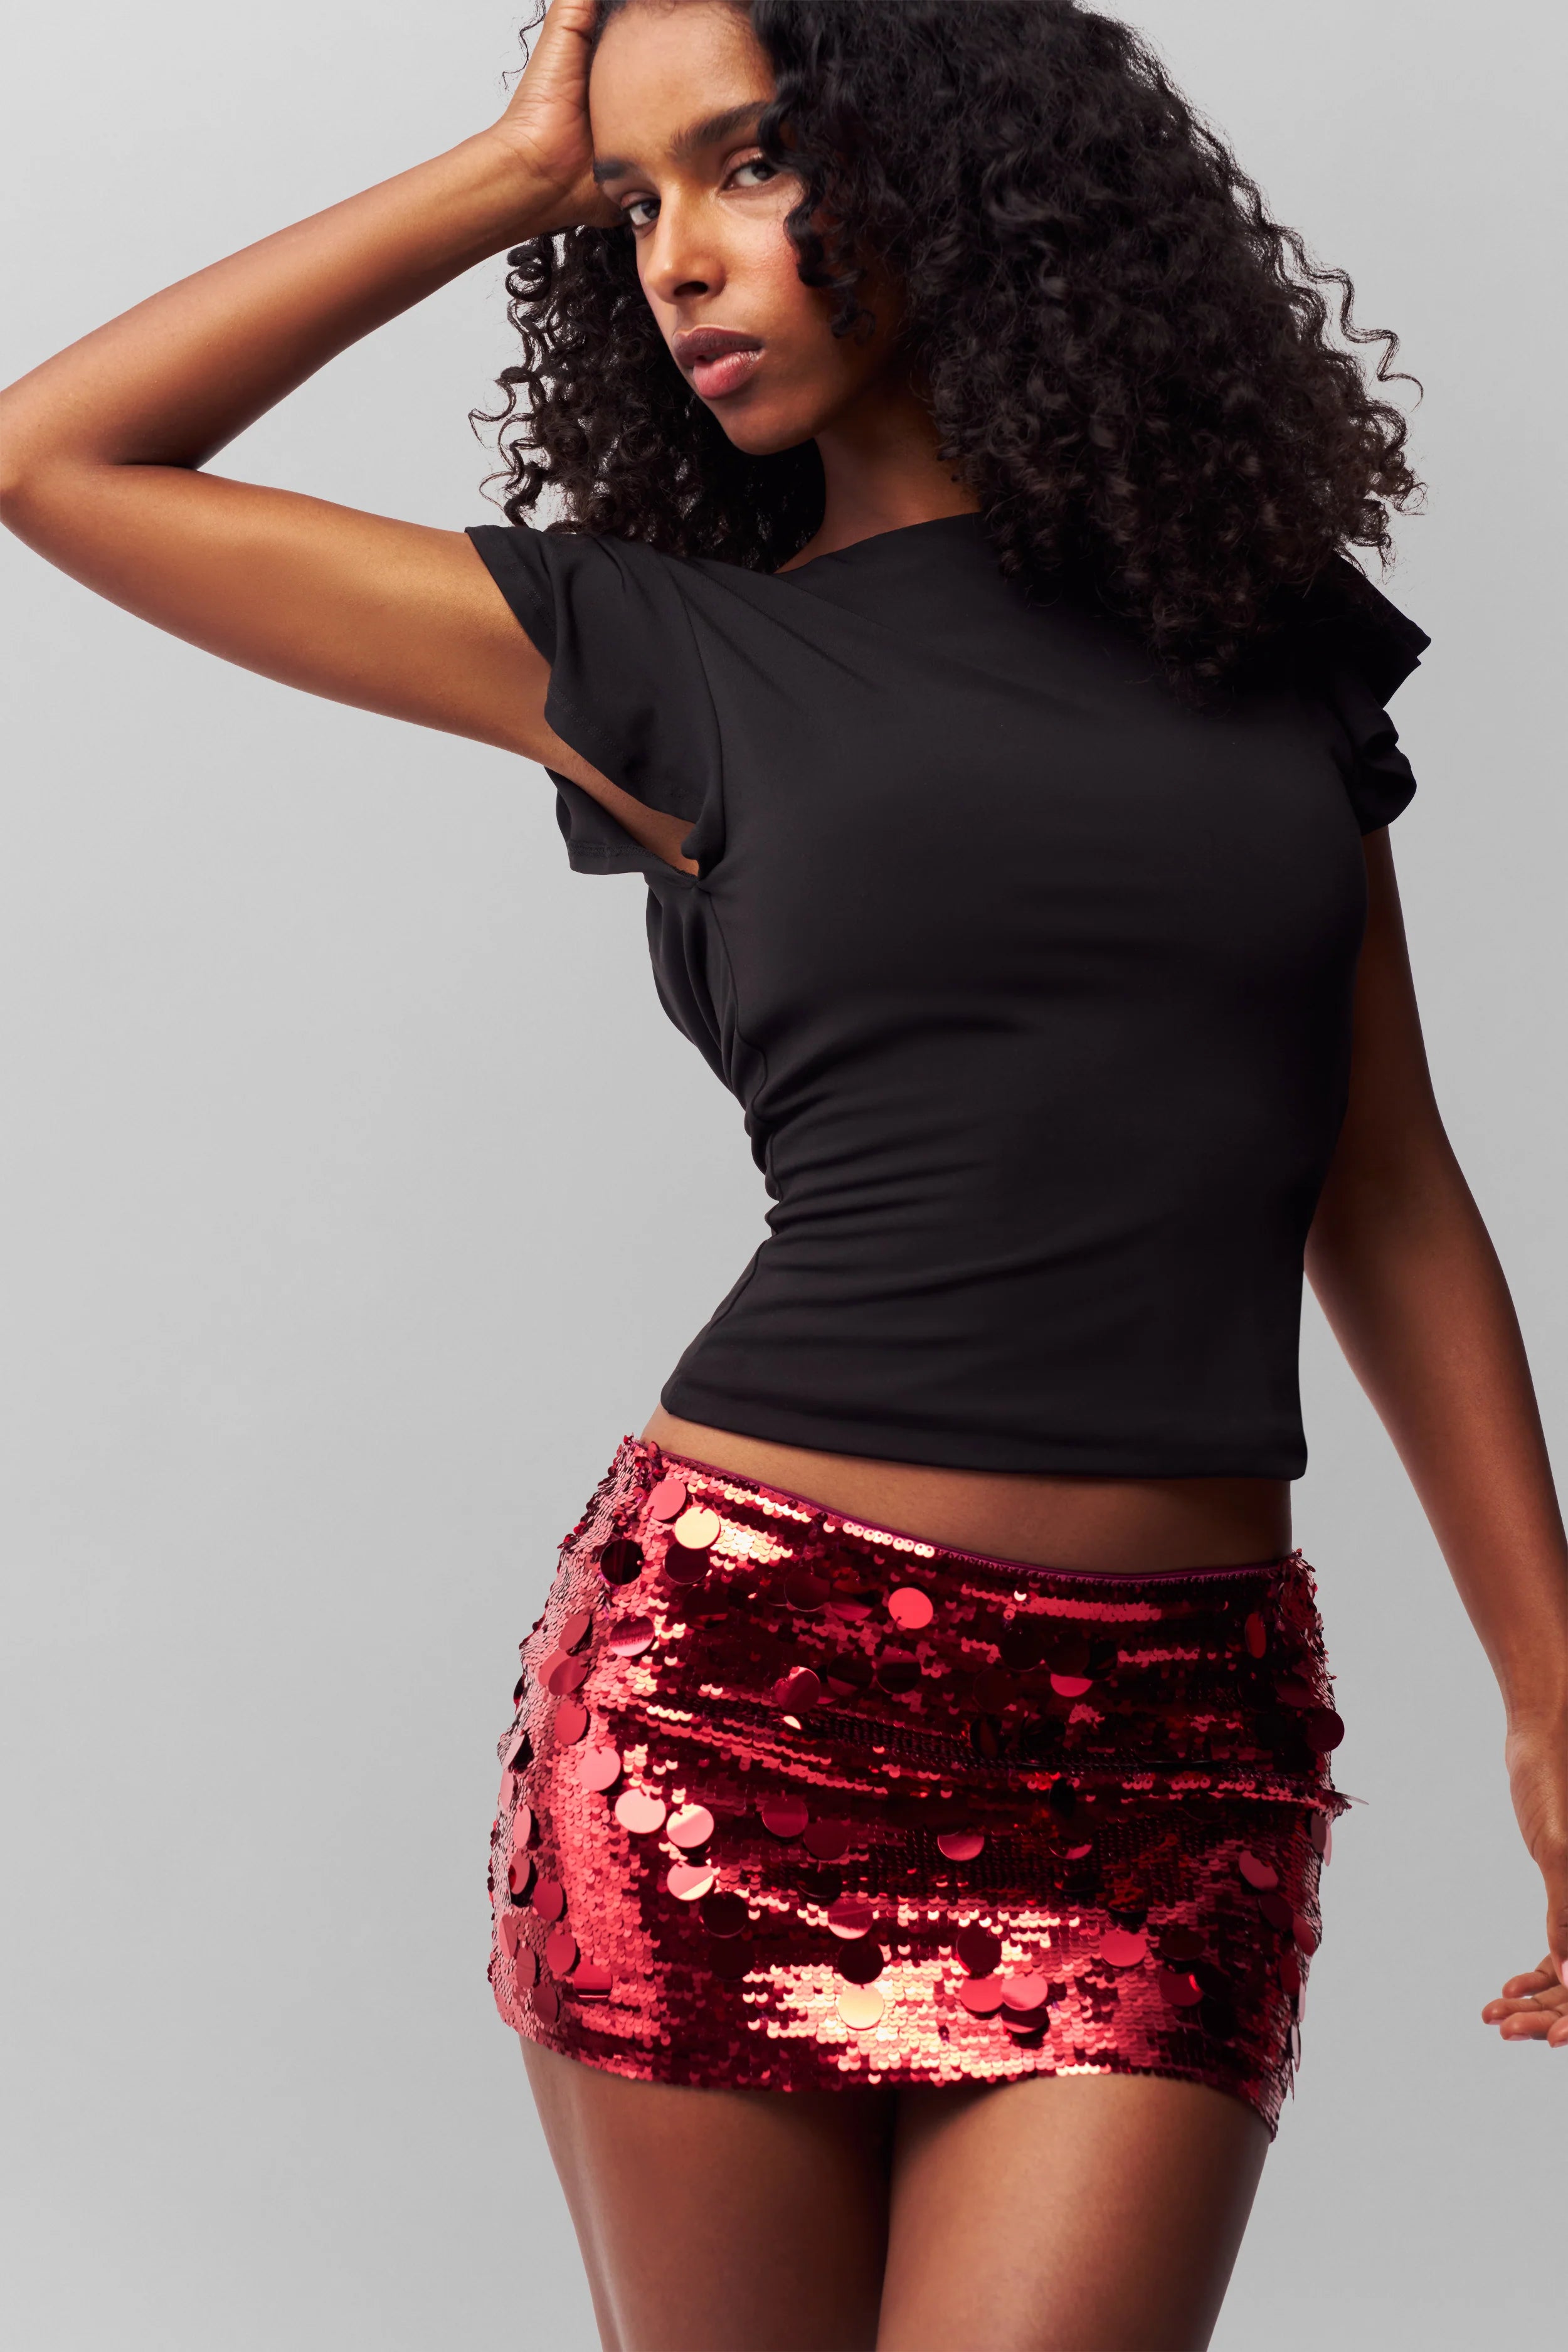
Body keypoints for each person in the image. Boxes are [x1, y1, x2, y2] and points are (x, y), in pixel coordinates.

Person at [4, 2, 1565, 2346]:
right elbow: (54, 459)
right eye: (632, 208)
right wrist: (504, 176)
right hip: (741, 1700)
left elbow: (1383, 1176)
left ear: (957, 159)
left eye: (744, 163)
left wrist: (1548, 1688)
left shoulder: (1259, 638)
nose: (675, 259)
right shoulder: (661, 652)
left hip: (1179, 1745)